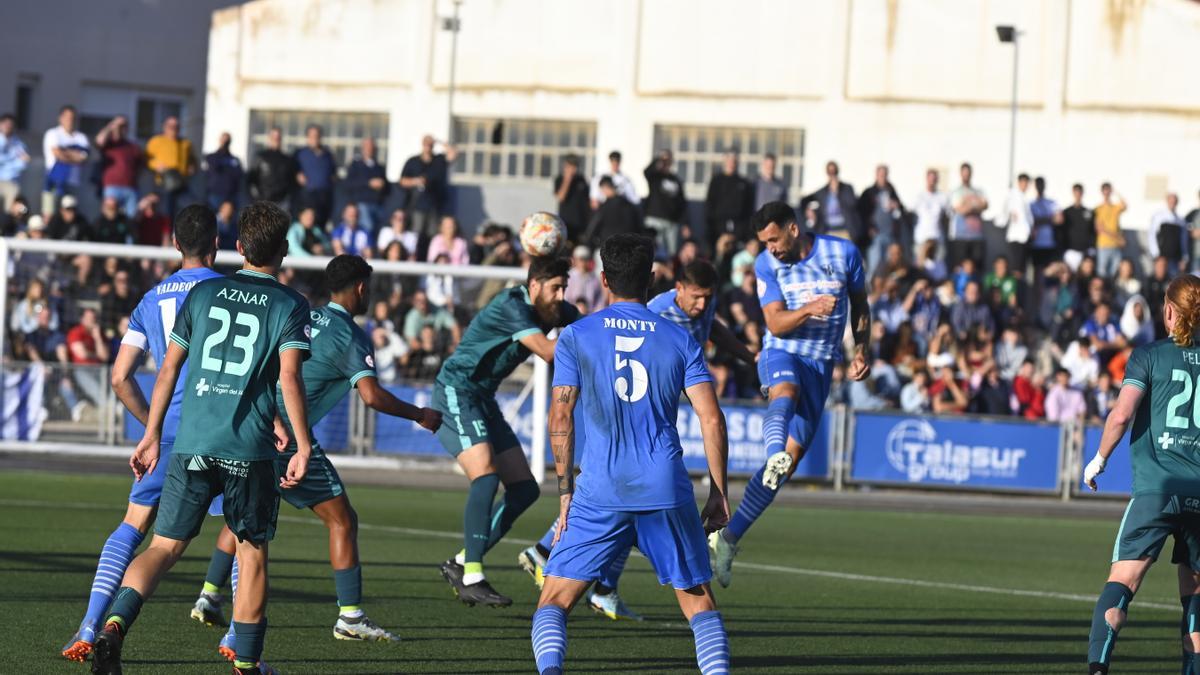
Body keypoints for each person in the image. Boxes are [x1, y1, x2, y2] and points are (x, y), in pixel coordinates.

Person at [89, 201, 314, 675]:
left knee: (162, 548)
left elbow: (168, 367)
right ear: (285, 251)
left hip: (189, 440)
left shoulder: (206, 296)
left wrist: (151, 433)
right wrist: (302, 442)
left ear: (237, 248)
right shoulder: (290, 304)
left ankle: (112, 626)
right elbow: (289, 379)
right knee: (251, 551)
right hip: (246, 448)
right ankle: (247, 663)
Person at [196, 254, 442, 653]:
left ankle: (208, 594)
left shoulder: (304, 315)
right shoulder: (350, 334)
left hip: (257, 422)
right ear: (361, 288)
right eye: (369, 288)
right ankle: (351, 617)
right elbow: (372, 395)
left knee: (246, 512)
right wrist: (419, 414)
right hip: (290, 437)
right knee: (343, 521)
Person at [529, 233, 731, 675]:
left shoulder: (577, 335)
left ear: (603, 279)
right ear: (653, 280)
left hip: (600, 488)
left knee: (554, 600)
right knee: (699, 604)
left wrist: (565, 494)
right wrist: (718, 493)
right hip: (663, 484)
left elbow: (560, 418)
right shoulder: (679, 339)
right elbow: (712, 419)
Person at [59, 205, 226, 663]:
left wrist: (150, 427)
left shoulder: (151, 299)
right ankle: (239, 642)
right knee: (245, 531)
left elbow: (118, 377)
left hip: (167, 430)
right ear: (216, 243)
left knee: (133, 526)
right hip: (221, 431)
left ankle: (90, 625)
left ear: (174, 244)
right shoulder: (231, 291)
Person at [709, 200, 871, 587]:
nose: (770, 248)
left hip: (822, 364)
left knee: (790, 464)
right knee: (786, 390)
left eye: (774, 239)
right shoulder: (768, 265)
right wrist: (811, 308)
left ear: (793, 228)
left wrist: (863, 348)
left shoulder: (843, 253)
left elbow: (860, 306)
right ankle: (771, 453)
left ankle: (727, 540)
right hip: (781, 351)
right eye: (764, 242)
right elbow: (776, 323)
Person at [433, 256, 579, 607]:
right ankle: (472, 574)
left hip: (482, 398)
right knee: (485, 477)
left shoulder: (555, 309)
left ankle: (460, 561)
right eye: (554, 287)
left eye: (564, 287)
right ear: (534, 286)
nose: (560, 295)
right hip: (456, 390)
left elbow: (592, 328)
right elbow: (547, 352)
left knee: (525, 489)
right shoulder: (512, 305)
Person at [1081, 274, 1200, 675]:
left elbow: (1122, 414)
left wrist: (1098, 459)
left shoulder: (1148, 354)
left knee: (1123, 585)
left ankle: (1099, 667)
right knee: (1196, 599)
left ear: (1168, 310)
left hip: (1156, 489)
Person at [400, 135, 457, 246]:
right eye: (426, 143)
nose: (428, 145)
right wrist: (416, 181)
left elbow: (453, 154)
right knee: (416, 237)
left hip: (435, 206)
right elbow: (402, 181)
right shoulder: (413, 161)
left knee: (433, 237)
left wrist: (440, 141)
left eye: (430, 143)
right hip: (418, 206)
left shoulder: (439, 160)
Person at [857, 164, 905, 276]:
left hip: (890, 235)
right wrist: (868, 228)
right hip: (876, 235)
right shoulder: (869, 192)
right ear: (876, 175)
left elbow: (901, 210)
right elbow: (860, 213)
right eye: (881, 175)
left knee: (889, 266)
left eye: (885, 175)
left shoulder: (891, 191)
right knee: (874, 265)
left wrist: (896, 206)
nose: (883, 177)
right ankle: (869, 291)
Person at [42, 105, 90, 216]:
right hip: (53, 181)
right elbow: (58, 154)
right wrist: (74, 155)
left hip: (73, 182)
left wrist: (65, 152)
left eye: (73, 118)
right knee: (50, 213)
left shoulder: (81, 137)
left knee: (69, 215)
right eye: (67, 117)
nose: (70, 121)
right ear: (60, 118)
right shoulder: (53, 134)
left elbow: (85, 157)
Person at [145, 116, 196, 217]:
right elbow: (147, 159)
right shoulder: (156, 141)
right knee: (166, 213)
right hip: (165, 183)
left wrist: (192, 167)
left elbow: (193, 160)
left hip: (182, 182)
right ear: (164, 127)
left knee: (188, 210)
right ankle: (167, 232)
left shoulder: (186, 143)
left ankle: (180, 232)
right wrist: (157, 166)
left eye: (176, 126)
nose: (174, 128)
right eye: (170, 126)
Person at [801, 160, 862, 245]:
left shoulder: (847, 189)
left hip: (845, 231)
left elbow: (852, 204)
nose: (832, 174)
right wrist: (809, 211)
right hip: (828, 231)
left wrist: (837, 192)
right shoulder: (822, 192)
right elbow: (804, 201)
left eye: (834, 172)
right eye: (830, 172)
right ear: (827, 173)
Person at [643, 148, 687, 257]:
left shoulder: (676, 180)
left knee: (671, 253)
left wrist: (684, 222)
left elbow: (682, 203)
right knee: (654, 250)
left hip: (672, 222)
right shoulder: (655, 176)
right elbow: (646, 172)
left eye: (668, 160)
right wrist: (659, 159)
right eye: (664, 160)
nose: (666, 162)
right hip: (655, 219)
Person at [705, 151, 754, 247]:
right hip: (718, 228)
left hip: (739, 229)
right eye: (729, 161)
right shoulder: (716, 181)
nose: (731, 163)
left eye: (734, 161)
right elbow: (709, 205)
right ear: (724, 161)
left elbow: (748, 208)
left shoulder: (744, 183)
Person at [947, 162, 988, 271]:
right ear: (960, 174)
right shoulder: (956, 192)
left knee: (976, 267)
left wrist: (967, 204)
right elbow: (960, 210)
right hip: (961, 236)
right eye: (964, 173)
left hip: (976, 236)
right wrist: (974, 205)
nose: (966, 175)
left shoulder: (978, 191)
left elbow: (985, 205)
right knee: (960, 268)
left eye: (968, 173)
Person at [294, 124, 337, 227]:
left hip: (325, 196)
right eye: (312, 136)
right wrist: (297, 174)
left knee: (321, 225)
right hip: (307, 196)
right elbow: (292, 170)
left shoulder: (328, 154)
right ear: (307, 137)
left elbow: (333, 173)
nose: (315, 138)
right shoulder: (300, 153)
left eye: (317, 136)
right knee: (308, 226)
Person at [345, 138, 389, 234]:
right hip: (362, 203)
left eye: (372, 147)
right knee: (368, 228)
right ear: (363, 148)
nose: (370, 149)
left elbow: (386, 186)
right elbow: (349, 183)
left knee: (380, 228)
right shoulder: (355, 165)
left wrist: (382, 185)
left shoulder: (379, 167)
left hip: (378, 204)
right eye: (367, 147)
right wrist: (368, 183)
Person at [583, 176, 641, 247]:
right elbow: (636, 226)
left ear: (605, 188)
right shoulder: (628, 205)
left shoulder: (605, 207)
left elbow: (594, 226)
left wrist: (587, 242)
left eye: (602, 190)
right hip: (627, 246)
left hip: (608, 246)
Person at [246, 127, 296, 209]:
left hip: (282, 203)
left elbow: (291, 181)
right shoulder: (260, 157)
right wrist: (254, 198)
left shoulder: (287, 160)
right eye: (273, 137)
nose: (276, 139)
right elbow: (250, 179)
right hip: (263, 201)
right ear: (269, 138)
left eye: (278, 137)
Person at [998, 173, 1033, 276]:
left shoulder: (1024, 197)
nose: (1025, 185)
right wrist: (1010, 214)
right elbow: (1006, 211)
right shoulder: (1013, 195)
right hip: (1016, 237)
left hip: (1025, 236)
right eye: (1023, 182)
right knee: (1016, 267)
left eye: (1026, 183)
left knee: (1022, 267)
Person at [552, 154, 590, 243]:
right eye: (571, 166)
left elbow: (587, 200)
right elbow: (561, 197)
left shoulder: (581, 179)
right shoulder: (559, 179)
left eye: (575, 166)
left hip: (581, 223)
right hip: (566, 223)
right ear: (566, 166)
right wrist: (567, 179)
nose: (574, 169)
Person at [1094, 182, 1127, 279]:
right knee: (1102, 273)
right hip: (1103, 245)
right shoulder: (1098, 209)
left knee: (1115, 274)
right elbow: (1100, 229)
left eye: (1108, 190)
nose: (1107, 193)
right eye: (1105, 190)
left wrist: (1116, 192)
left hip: (1116, 246)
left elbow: (1125, 204)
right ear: (1102, 192)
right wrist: (1118, 237)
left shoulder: (1115, 207)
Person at [204, 132, 244, 211]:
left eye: (227, 140)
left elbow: (238, 175)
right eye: (223, 140)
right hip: (215, 195)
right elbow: (214, 167)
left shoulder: (235, 160)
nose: (225, 142)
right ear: (219, 140)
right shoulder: (211, 157)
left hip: (230, 197)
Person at [912, 168, 950, 252]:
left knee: (938, 264)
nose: (932, 181)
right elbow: (912, 216)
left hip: (937, 238)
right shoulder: (919, 197)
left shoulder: (942, 197)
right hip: (921, 239)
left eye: (934, 179)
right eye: (930, 178)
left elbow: (947, 217)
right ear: (926, 179)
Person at [1148, 192, 1187, 272]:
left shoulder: (1180, 220)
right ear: (1167, 201)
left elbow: (1183, 240)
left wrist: (1184, 257)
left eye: (1174, 201)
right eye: (1171, 201)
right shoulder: (1159, 216)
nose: (1172, 203)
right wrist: (1156, 254)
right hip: (1162, 257)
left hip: (1176, 258)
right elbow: (1152, 235)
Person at [0, 112, 30, 209]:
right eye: (5, 123)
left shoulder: (18, 144)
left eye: (10, 124)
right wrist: (12, 162)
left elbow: (24, 162)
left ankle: (6, 221)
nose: (8, 126)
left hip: (11, 181)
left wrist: (6, 163)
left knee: (14, 192)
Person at [1062, 183, 1095, 271]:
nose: (1078, 194)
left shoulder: (1088, 212)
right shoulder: (1066, 212)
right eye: (1076, 192)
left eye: (1079, 192)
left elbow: (1092, 231)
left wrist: (1091, 248)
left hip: (1085, 252)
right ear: (1073, 193)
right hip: (1071, 251)